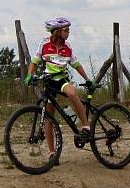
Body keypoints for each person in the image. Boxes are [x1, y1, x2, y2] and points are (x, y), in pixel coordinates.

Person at [23, 16, 94, 160]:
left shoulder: (67, 47)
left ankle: (86, 126)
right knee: (49, 117)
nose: (68, 32)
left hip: (61, 79)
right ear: (56, 32)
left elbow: (76, 64)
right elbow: (34, 62)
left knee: (72, 93)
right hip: (49, 82)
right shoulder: (44, 44)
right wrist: (30, 74)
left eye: (68, 30)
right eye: (66, 30)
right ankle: (52, 153)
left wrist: (87, 79)